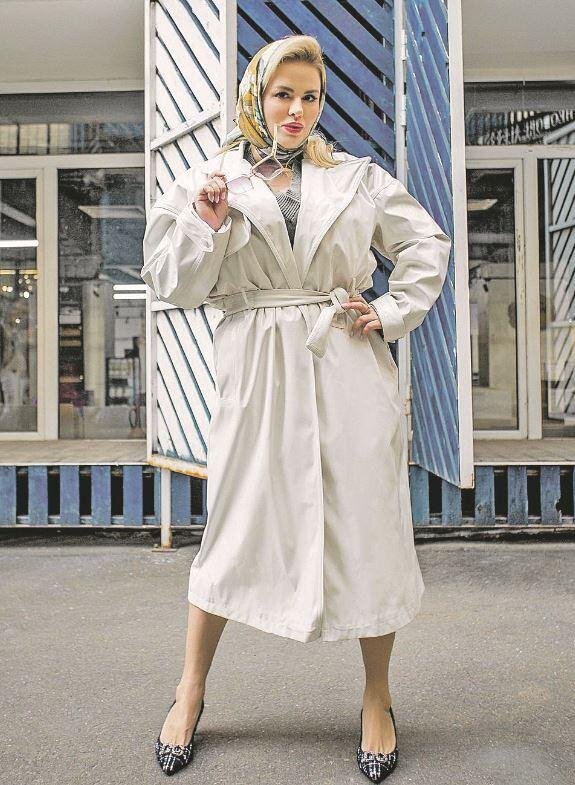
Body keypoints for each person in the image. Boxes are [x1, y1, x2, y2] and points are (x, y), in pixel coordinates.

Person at [141, 34, 451, 782]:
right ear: (256, 95)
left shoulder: (355, 176)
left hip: (344, 361)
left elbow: (426, 244)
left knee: (366, 527)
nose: (296, 110)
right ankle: (190, 691)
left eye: (310, 97)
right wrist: (208, 224)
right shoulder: (209, 178)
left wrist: (389, 310)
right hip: (256, 367)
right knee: (235, 524)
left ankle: (377, 699)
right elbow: (172, 282)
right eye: (283, 94)